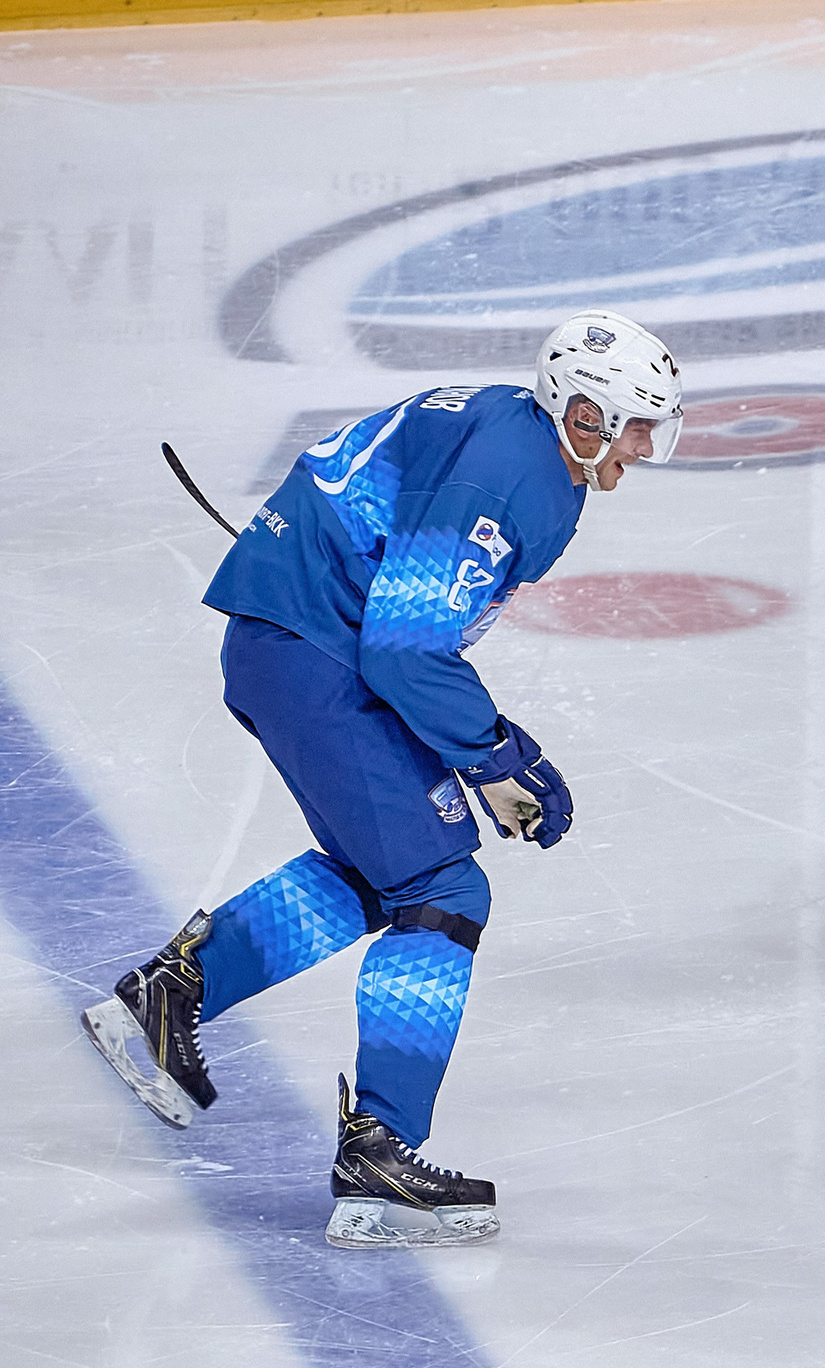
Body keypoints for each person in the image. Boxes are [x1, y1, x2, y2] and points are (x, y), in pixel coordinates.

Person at [80, 311, 683, 1249]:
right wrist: (495, 753)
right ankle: (381, 1148)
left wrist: (478, 748)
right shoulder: (518, 478)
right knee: (442, 888)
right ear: (580, 412)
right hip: (317, 653)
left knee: (385, 865)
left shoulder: (513, 431)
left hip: (295, 638)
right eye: (632, 424)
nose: (645, 446)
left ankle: (173, 995)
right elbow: (404, 647)